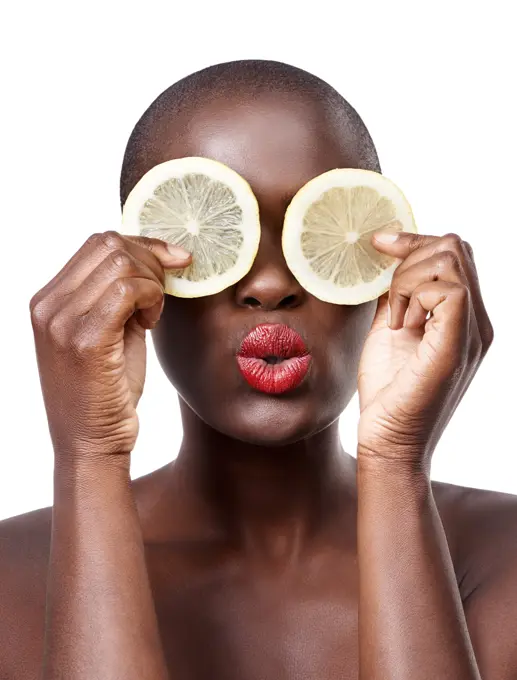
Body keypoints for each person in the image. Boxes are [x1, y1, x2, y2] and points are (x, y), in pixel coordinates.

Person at [0, 59, 515, 680]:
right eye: (219, 237)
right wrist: (88, 456)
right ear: (133, 275)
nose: (270, 285)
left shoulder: (503, 556)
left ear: (381, 263)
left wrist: (397, 462)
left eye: (315, 229)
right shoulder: (11, 579)